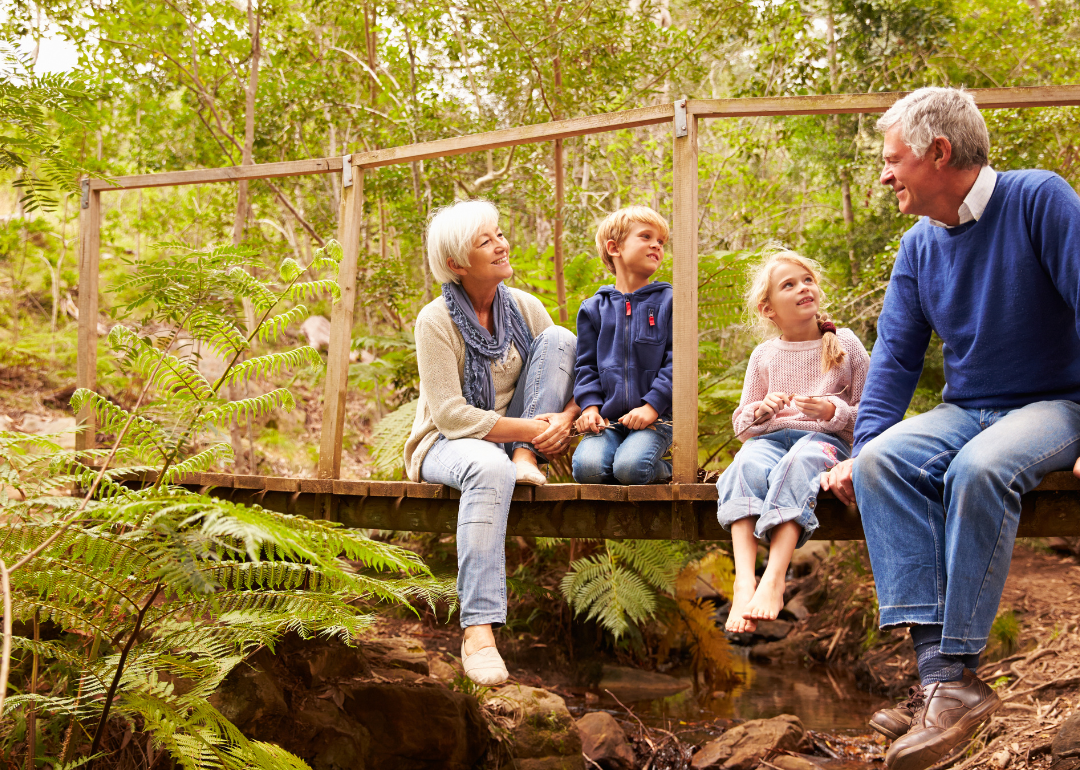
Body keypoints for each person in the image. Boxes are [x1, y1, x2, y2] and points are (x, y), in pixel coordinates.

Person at [819, 87, 1080, 770]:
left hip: (1057, 403)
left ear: (939, 153)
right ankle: (944, 680)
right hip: (969, 408)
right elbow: (897, 359)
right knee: (882, 462)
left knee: (980, 468)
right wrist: (863, 448)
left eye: (892, 159)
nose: (884, 174)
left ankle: (953, 671)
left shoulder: (1040, 199)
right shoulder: (918, 245)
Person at [405, 199, 580, 686]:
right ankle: (478, 631)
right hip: (448, 442)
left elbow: (570, 375)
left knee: (561, 338)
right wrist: (533, 429)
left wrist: (564, 420)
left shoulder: (525, 307)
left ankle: (522, 459)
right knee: (487, 466)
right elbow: (451, 414)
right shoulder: (435, 320)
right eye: (487, 241)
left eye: (499, 234)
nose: (502, 244)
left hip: (519, 443)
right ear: (458, 263)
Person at [716, 249, 869, 633]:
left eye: (807, 280)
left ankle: (774, 577)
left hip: (824, 443)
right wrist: (760, 411)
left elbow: (871, 416)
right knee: (745, 465)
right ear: (769, 310)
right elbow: (742, 428)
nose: (803, 288)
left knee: (797, 463)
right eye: (789, 285)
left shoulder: (845, 344)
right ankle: (744, 580)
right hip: (768, 440)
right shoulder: (764, 354)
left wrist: (832, 413)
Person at [572, 206, 674, 485]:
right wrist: (590, 408)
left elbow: (677, 361)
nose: (656, 244)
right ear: (614, 248)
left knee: (630, 469)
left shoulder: (669, 301)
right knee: (587, 469)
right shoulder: (593, 308)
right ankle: (625, 465)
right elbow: (586, 365)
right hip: (609, 421)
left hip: (657, 418)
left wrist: (652, 406)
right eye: (646, 236)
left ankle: (672, 470)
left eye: (661, 242)